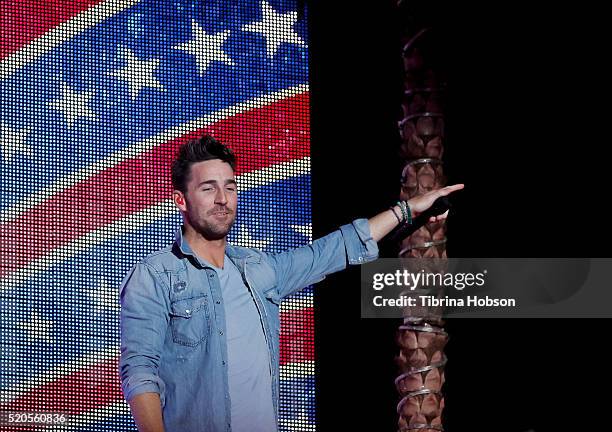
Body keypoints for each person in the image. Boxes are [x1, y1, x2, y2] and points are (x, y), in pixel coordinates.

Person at [119, 134, 464, 432]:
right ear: (181, 200)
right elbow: (140, 372)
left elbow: (334, 249)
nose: (223, 199)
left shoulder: (258, 269)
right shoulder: (155, 276)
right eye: (208, 188)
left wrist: (409, 210)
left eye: (230, 186)